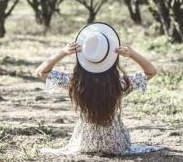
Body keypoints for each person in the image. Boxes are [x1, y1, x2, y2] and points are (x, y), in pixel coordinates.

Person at [35, 22, 161, 155]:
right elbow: (151, 72)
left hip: (84, 145)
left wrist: (63, 52)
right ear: (111, 59)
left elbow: (41, 72)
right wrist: (132, 54)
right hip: (116, 146)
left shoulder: (76, 82)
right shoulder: (118, 84)